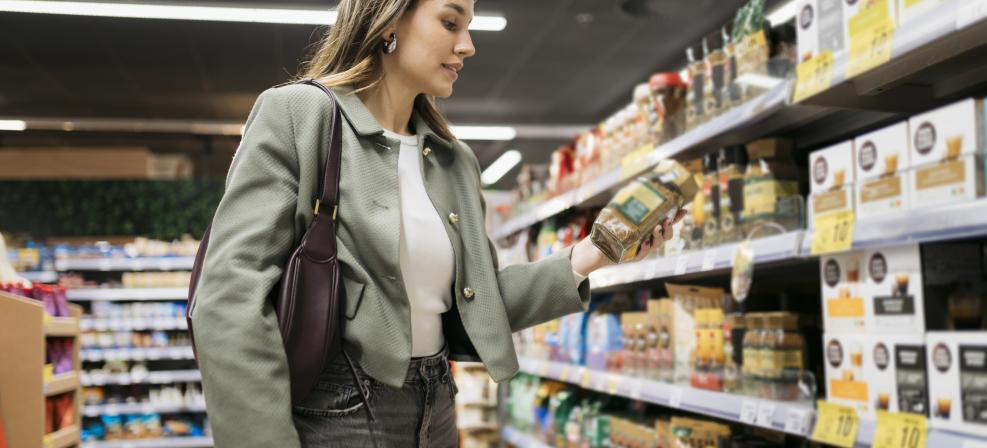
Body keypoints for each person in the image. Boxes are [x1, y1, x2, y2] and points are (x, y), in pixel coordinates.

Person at [189, 0, 682, 446]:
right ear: (388, 21)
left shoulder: (454, 161)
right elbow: (229, 296)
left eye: (468, 27)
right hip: (336, 411)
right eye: (450, 23)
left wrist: (593, 253)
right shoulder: (302, 115)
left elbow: (478, 301)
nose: (467, 46)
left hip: (438, 407)